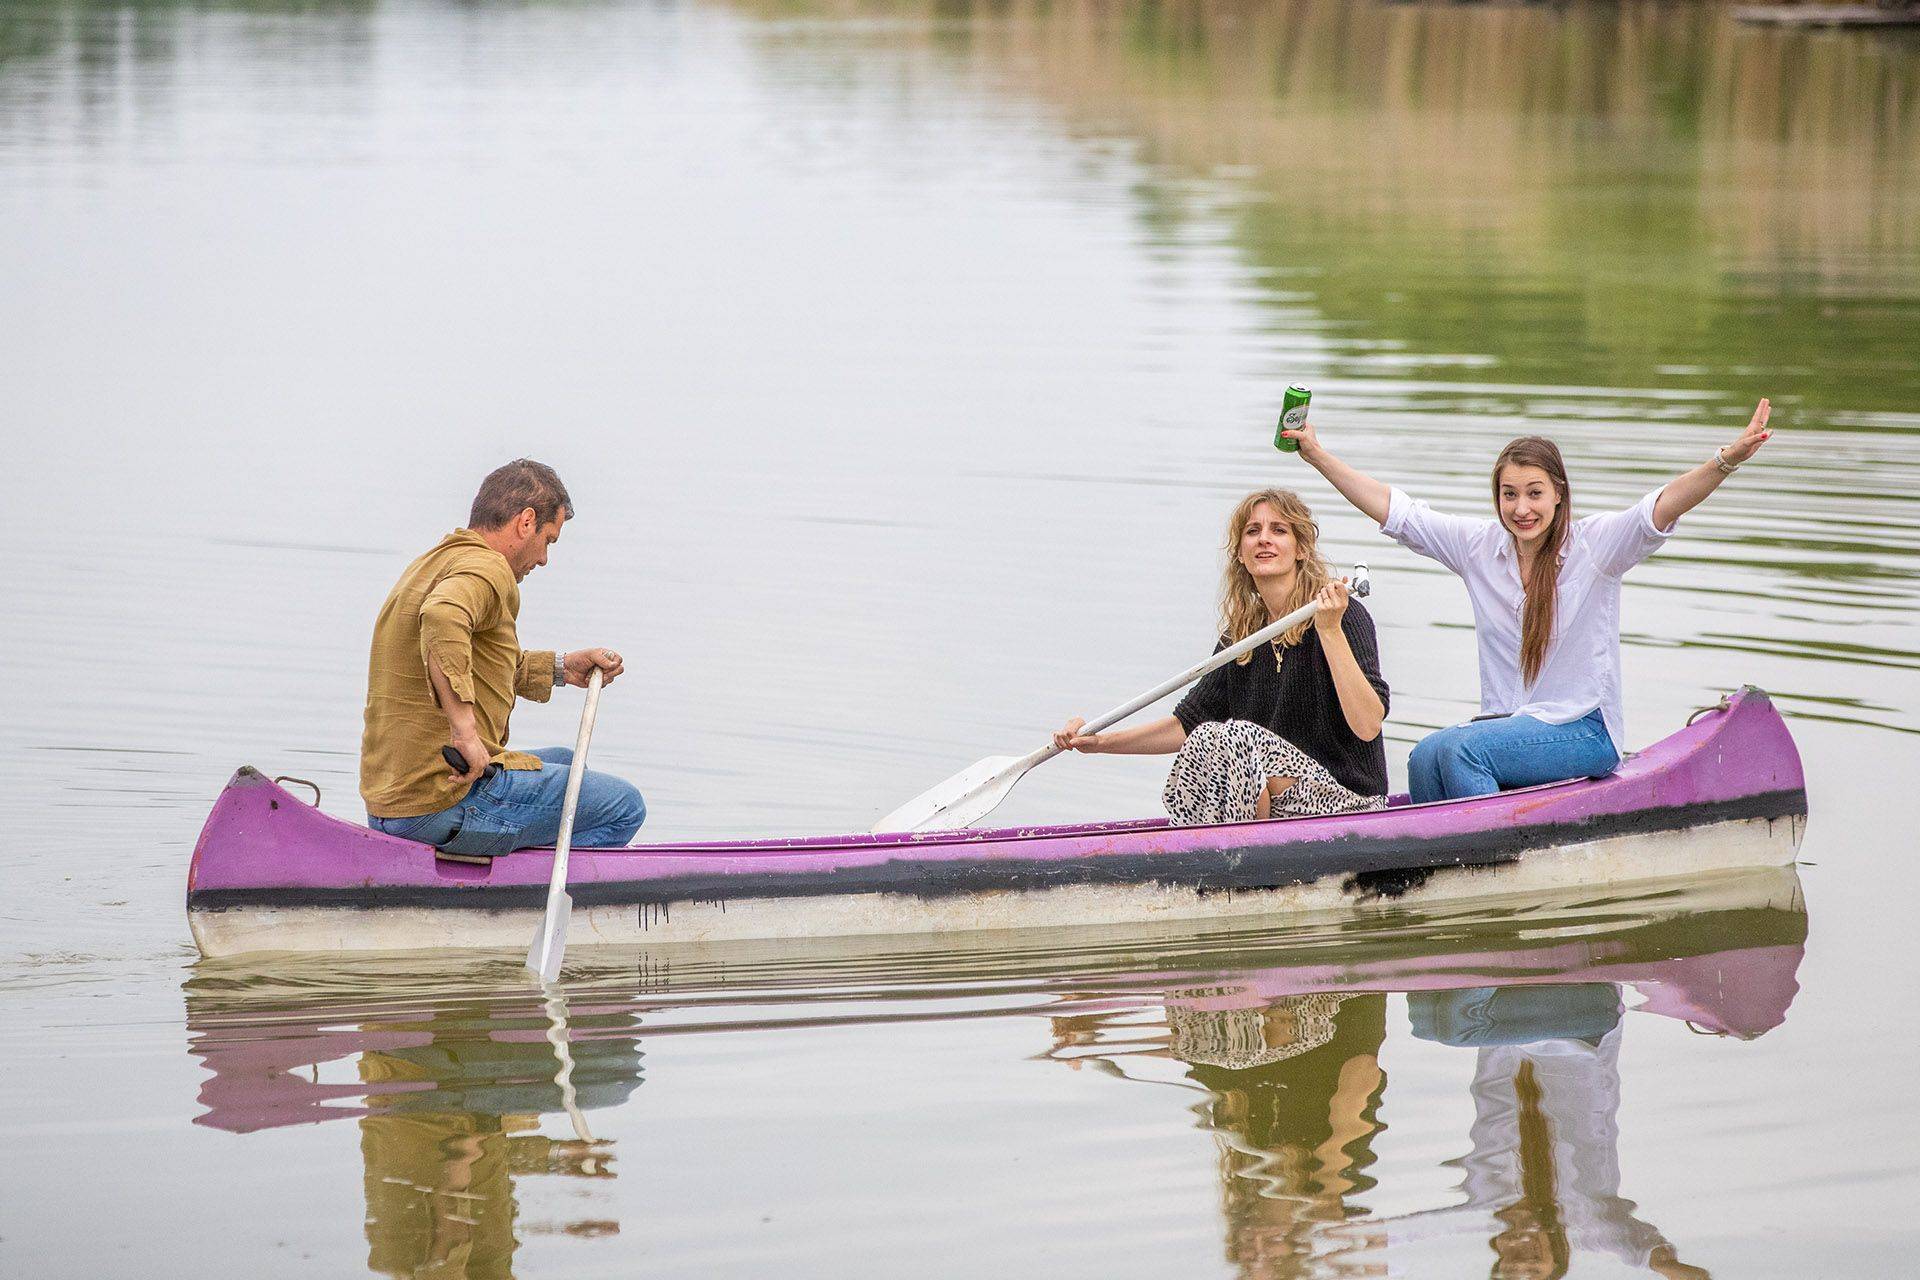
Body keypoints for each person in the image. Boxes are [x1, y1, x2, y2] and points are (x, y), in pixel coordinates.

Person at [1285, 400, 1774, 801]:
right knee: (1424, 756)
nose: (1522, 509)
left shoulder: (1595, 547)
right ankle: (1441, 874)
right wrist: (1317, 455)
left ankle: (1496, 866)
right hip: (1509, 727)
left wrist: (1726, 460)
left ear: (1558, 494)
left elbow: (1662, 507)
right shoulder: (1479, 549)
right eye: (1510, 495)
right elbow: (1397, 512)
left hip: (1584, 730)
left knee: (1460, 753)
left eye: (1535, 493)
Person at [359, 459, 646, 856]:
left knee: (567, 760)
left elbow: (472, 660)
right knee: (624, 807)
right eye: (548, 539)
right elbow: (443, 618)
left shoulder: (438, 561)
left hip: (394, 801)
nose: (544, 558)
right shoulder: (489, 568)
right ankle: (518, 890)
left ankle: (505, 855)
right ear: (525, 521)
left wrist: (563, 668)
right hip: (440, 802)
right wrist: (464, 732)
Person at [1052, 488, 1389, 825]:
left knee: (1238, 737)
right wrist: (1099, 743)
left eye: (1279, 530)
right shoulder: (1241, 637)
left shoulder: (1342, 616)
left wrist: (1329, 630)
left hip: (1349, 805)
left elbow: (1368, 724)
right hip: (1276, 807)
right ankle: (1205, 850)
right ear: (1240, 554)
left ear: (1301, 549)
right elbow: (1186, 724)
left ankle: (1242, 855)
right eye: (1253, 531)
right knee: (1206, 738)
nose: (1264, 540)